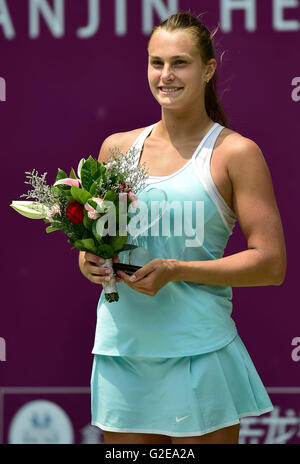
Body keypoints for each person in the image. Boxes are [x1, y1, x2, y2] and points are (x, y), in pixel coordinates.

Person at [78, 12, 286, 444]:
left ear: (208, 69)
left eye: (180, 63)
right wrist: (89, 259)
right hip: (123, 354)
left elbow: (270, 264)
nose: (166, 75)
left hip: (201, 354)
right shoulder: (116, 148)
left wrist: (177, 269)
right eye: (157, 63)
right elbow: (99, 238)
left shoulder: (236, 153)